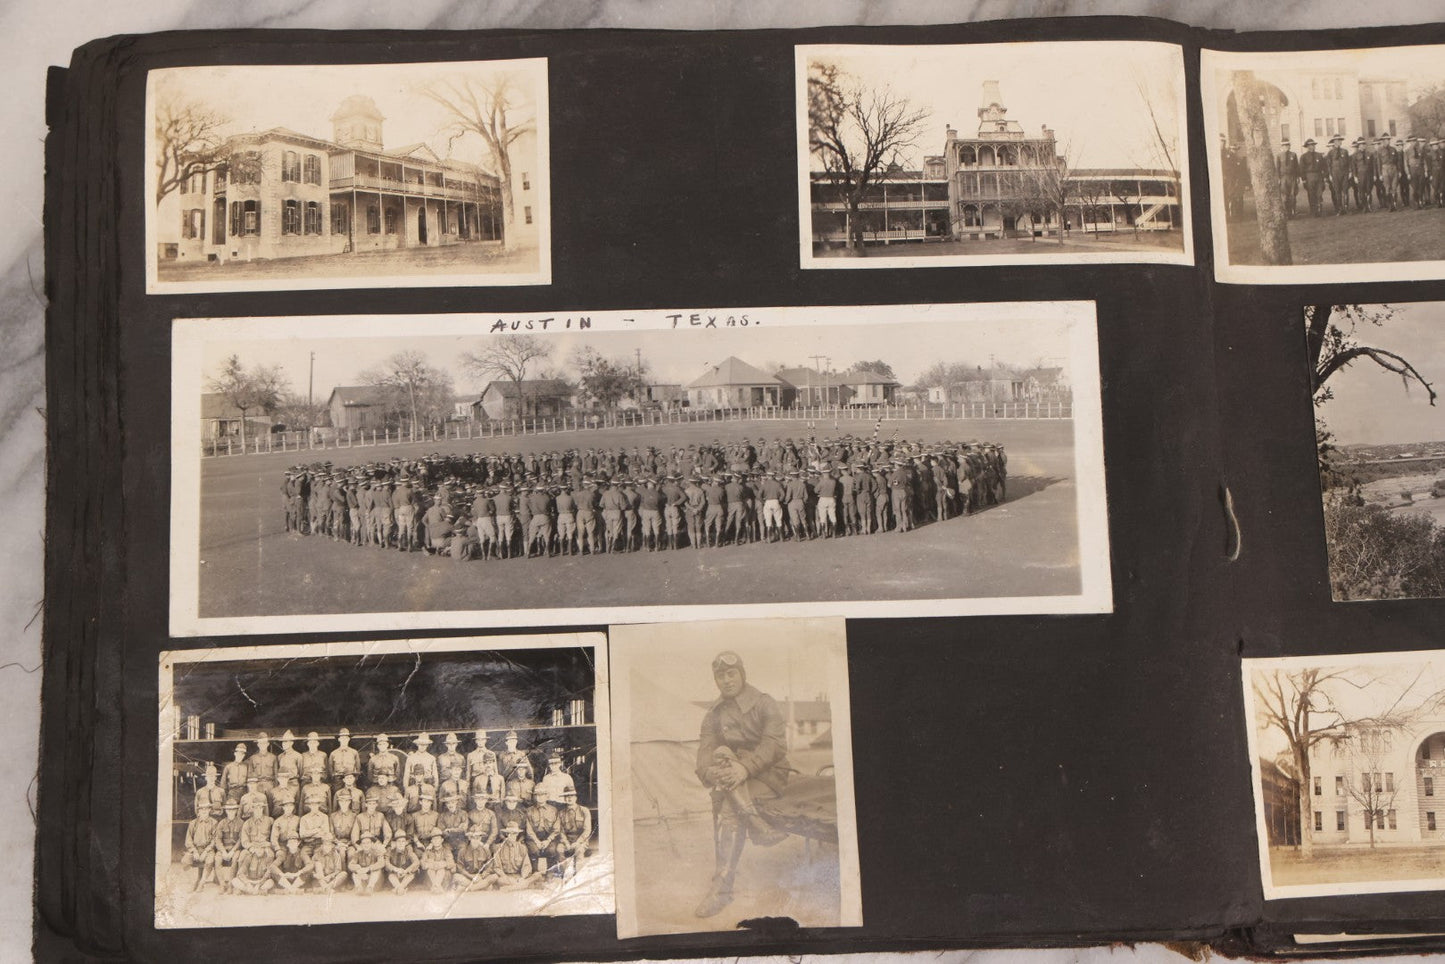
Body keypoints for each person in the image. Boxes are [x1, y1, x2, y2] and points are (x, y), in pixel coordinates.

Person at [693, 650, 791, 918]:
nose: (726, 680)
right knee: (723, 773)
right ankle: (757, 827)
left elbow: (776, 745)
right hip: (732, 778)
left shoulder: (764, 703)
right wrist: (717, 773)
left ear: (742, 674)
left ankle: (721, 890)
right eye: (720, 676)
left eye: (731, 673)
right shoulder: (713, 714)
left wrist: (744, 767)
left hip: (768, 774)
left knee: (727, 803)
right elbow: (703, 757)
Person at [556, 786, 592, 878]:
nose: (569, 798)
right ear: (564, 798)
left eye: (571, 795)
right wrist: (566, 843)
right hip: (567, 841)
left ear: (576, 797)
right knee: (559, 849)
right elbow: (561, 831)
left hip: (580, 840)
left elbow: (587, 830)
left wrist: (577, 842)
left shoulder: (584, 811)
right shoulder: (561, 813)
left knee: (579, 850)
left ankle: (579, 875)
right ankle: (564, 874)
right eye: (567, 796)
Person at [181, 806, 219, 891]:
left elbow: (214, 840)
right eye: (201, 809)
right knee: (185, 861)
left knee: (209, 861)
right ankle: (195, 880)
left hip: (208, 850)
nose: (204, 811)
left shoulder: (214, 822)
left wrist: (206, 851)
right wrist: (194, 851)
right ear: (198, 811)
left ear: (210, 810)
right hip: (195, 849)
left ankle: (202, 882)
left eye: (206, 808)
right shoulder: (193, 823)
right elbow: (188, 839)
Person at [452, 826, 497, 891]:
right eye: (473, 838)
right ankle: (481, 886)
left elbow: (489, 866)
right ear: (470, 838)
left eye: (478, 838)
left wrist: (482, 876)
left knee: (494, 876)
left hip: (481, 877)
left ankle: (471, 888)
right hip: (468, 877)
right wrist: (471, 876)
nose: (476, 840)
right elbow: (460, 868)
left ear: (481, 838)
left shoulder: (486, 850)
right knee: (456, 876)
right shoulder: (463, 851)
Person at [492, 825, 535, 890]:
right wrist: (505, 877)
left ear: (517, 834)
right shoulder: (498, 848)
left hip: (519, 876)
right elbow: (497, 867)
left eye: (514, 833)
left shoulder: (522, 848)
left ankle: (512, 887)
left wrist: (522, 877)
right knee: (499, 881)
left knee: (537, 875)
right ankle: (519, 886)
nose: (512, 836)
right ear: (506, 834)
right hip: (506, 877)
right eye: (509, 833)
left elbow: (527, 866)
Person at [1300, 138, 1325, 217]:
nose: (1312, 147)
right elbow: (1302, 169)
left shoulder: (1319, 155)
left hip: (1318, 176)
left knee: (1319, 193)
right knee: (1311, 194)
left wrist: (1324, 177)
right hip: (1309, 176)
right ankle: (1313, 211)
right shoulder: (1303, 157)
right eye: (1310, 145)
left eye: (1313, 145)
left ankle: (1319, 210)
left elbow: (1324, 167)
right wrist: (1304, 179)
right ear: (1307, 147)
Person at [1275, 138, 1300, 217]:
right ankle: (1286, 212)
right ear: (1281, 146)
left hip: (1292, 177)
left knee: (1293, 195)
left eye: (1287, 145)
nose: (1286, 147)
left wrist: (1297, 177)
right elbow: (1277, 168)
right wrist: (1278, 178)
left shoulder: (1293, 155)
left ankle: (1293, 211)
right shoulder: (1279, 155)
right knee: (1285, 196)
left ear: (1289, 146)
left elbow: (1296, 167)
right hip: (1283, 178)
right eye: (1284, 145)